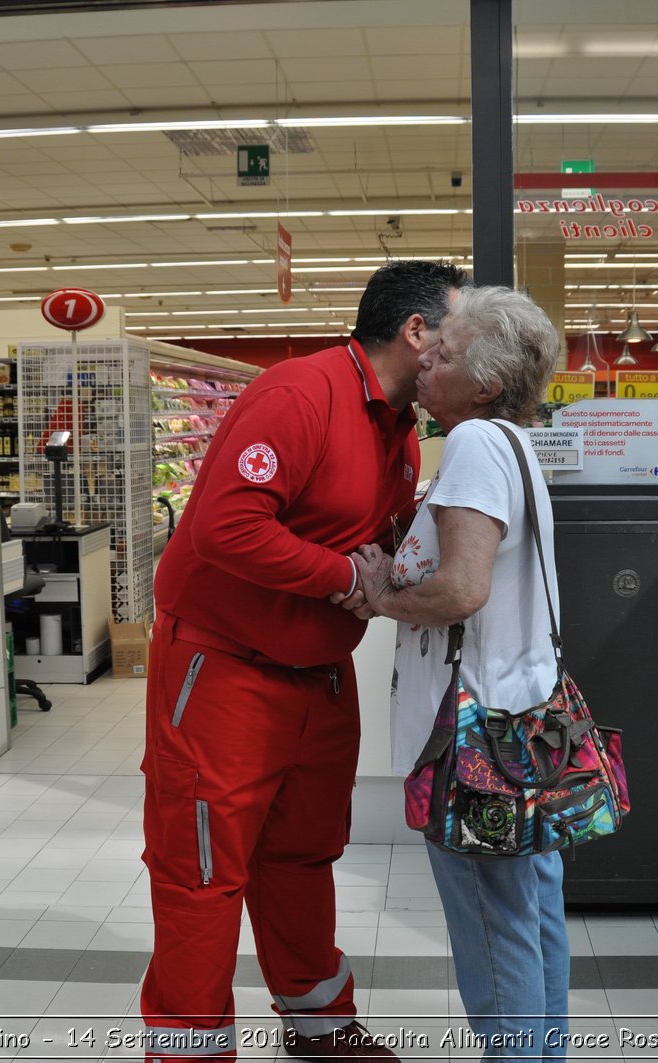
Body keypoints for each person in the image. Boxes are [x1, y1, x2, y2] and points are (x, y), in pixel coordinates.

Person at [141, 260, 467, 1062]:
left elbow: (370, 529)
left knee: (303, 850)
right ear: (416, 332)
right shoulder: (299, 395)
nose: (471, 352)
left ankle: (320, 1025)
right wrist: (343, 576)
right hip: (223, 667)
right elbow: (226, 528)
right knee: (203, 868)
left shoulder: (397, 425)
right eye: (460, 334)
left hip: (318, 671)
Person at [343, 286, 569, 1056]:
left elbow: (463, 589)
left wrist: (380, 596)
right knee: (533, 913)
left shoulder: (472, 444)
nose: (425, 360)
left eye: (443, 353)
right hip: (525, 725)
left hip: (469, 745)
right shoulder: (513, 444)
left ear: (486, 383)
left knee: (489, 926)